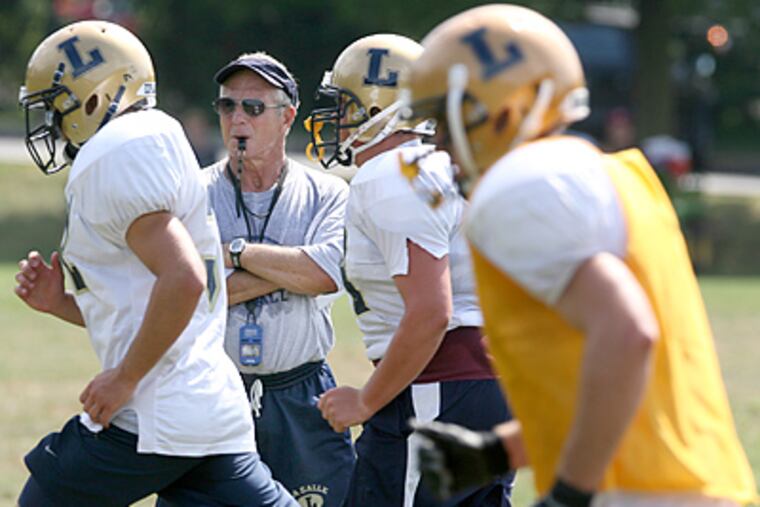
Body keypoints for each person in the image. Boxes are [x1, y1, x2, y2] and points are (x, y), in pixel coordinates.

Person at [403, 4, 758, 507]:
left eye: (446, 118)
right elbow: (610, 378)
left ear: (501, 107)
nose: (438, 142)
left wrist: (569, 492)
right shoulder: (603, 172)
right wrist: (498, 452)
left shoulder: (520, 185)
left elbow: (627, 334)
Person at [14, 20, 296, 506]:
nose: (52, 123)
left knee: (44, 497)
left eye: (57, 106)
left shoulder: (115, 151)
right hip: (207, 407)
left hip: (156, 413)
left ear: (95, 98)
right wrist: (60, 302)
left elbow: (184, 280)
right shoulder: (149, 137)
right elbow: (148, 302)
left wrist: (124, 378)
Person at [306, 33, 514, 506]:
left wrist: (366, 399)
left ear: (384, 105)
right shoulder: (442, 165)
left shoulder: (391, 175)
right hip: (476, 383)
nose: (338, 120)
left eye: (347, 105)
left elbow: (430, 312)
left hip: (436, 389)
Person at [203, 51, 354, 507]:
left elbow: (326, 274)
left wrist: (237, 253)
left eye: (253, 108)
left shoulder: (327, 193)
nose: (237, 119)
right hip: (214, 390)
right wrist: (292, 272)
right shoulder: (193, 192)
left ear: (288, 117)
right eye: (228, 106)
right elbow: (196, 292)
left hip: (301, 392)